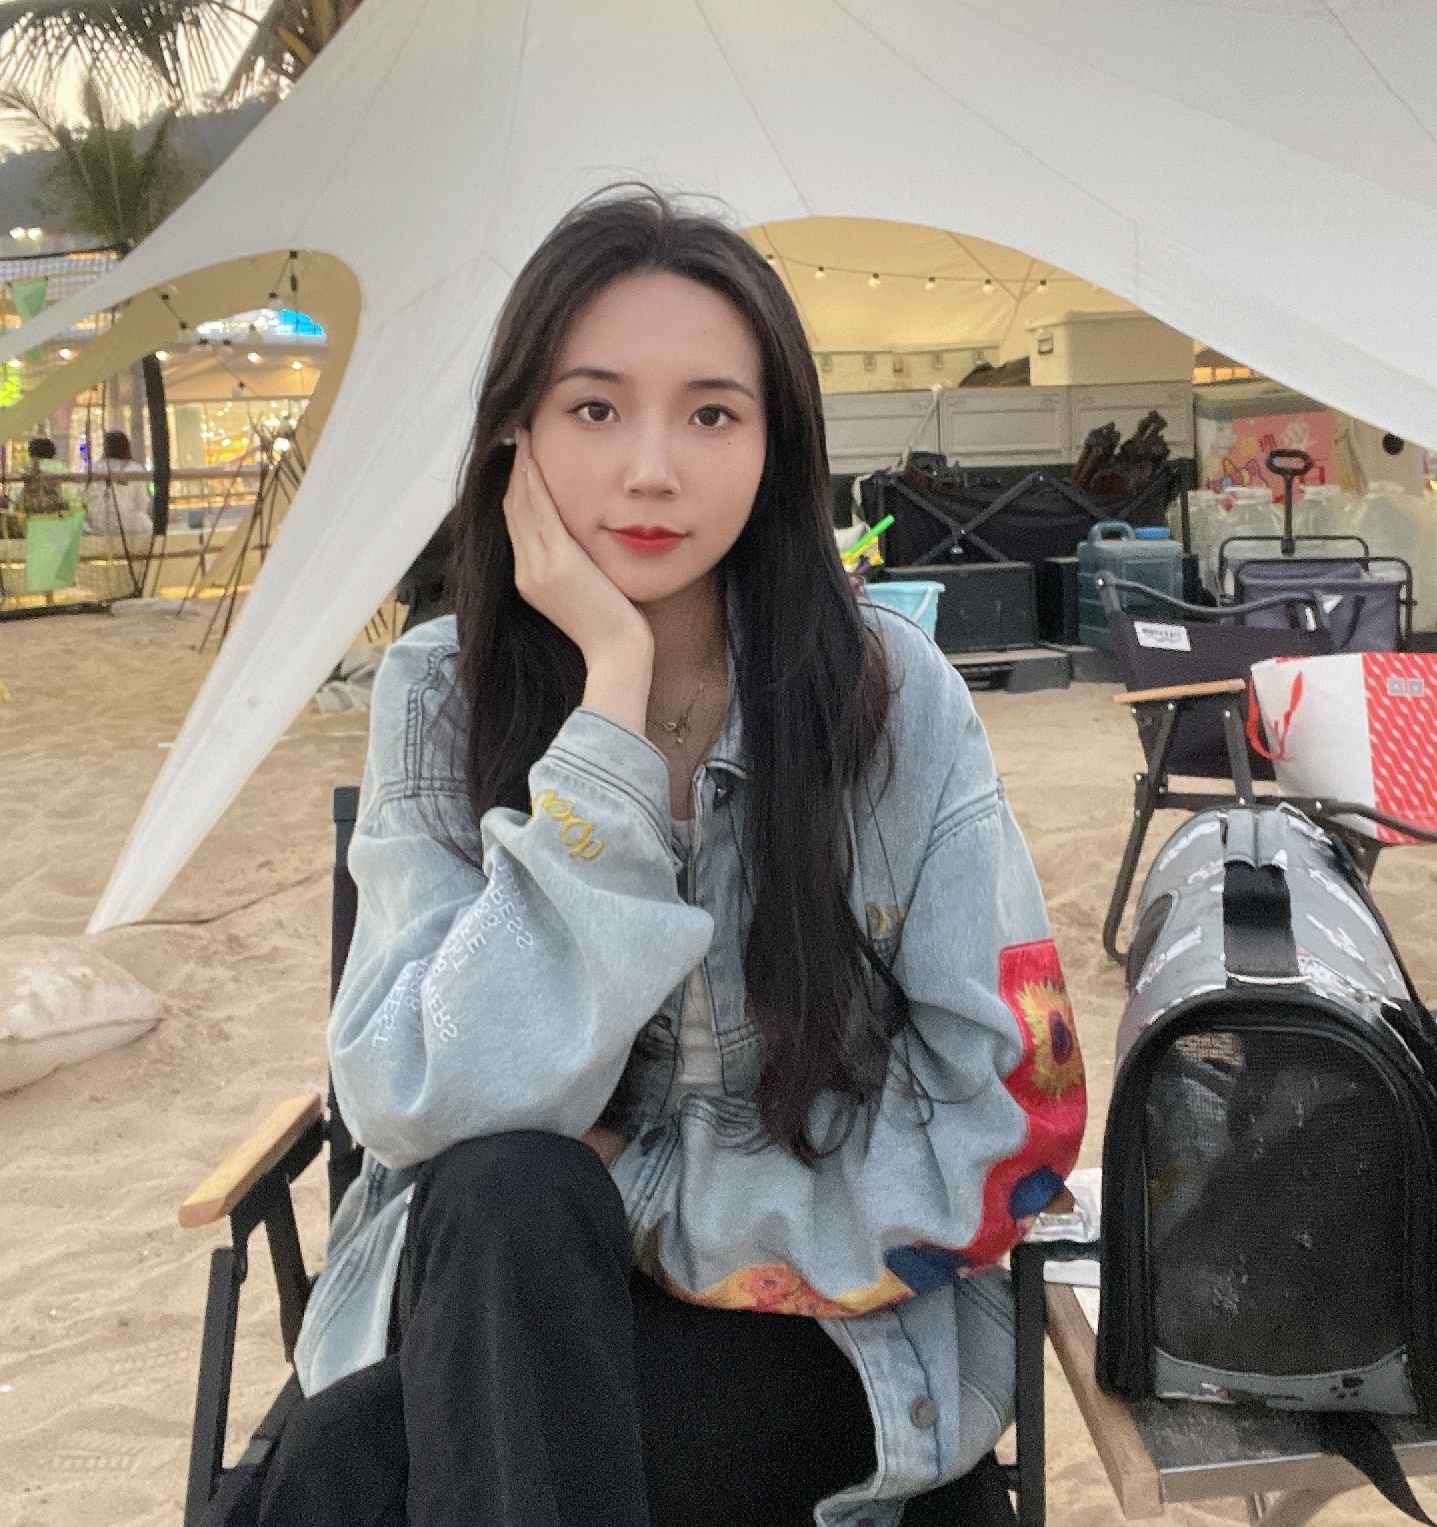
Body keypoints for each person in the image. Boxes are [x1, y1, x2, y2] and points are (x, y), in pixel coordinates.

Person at [262, 189, 1086, 1527]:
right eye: (596, 408)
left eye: (711, 414)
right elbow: (414, 1094)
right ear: (517, 434)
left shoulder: (892, 697)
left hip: (823, 1331)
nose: (652, 469)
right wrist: (610, 705)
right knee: (509, 1183)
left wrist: (647, 1196)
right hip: (501, 1287)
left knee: (346, 1467)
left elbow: (1009, 1120)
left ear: (775, 443)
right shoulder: (440, 693)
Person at [83, 429, 151, 539]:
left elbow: (84, 499)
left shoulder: (92, 469)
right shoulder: (135, 470)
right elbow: (141, 504)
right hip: (129, 526)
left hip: (96, 526)